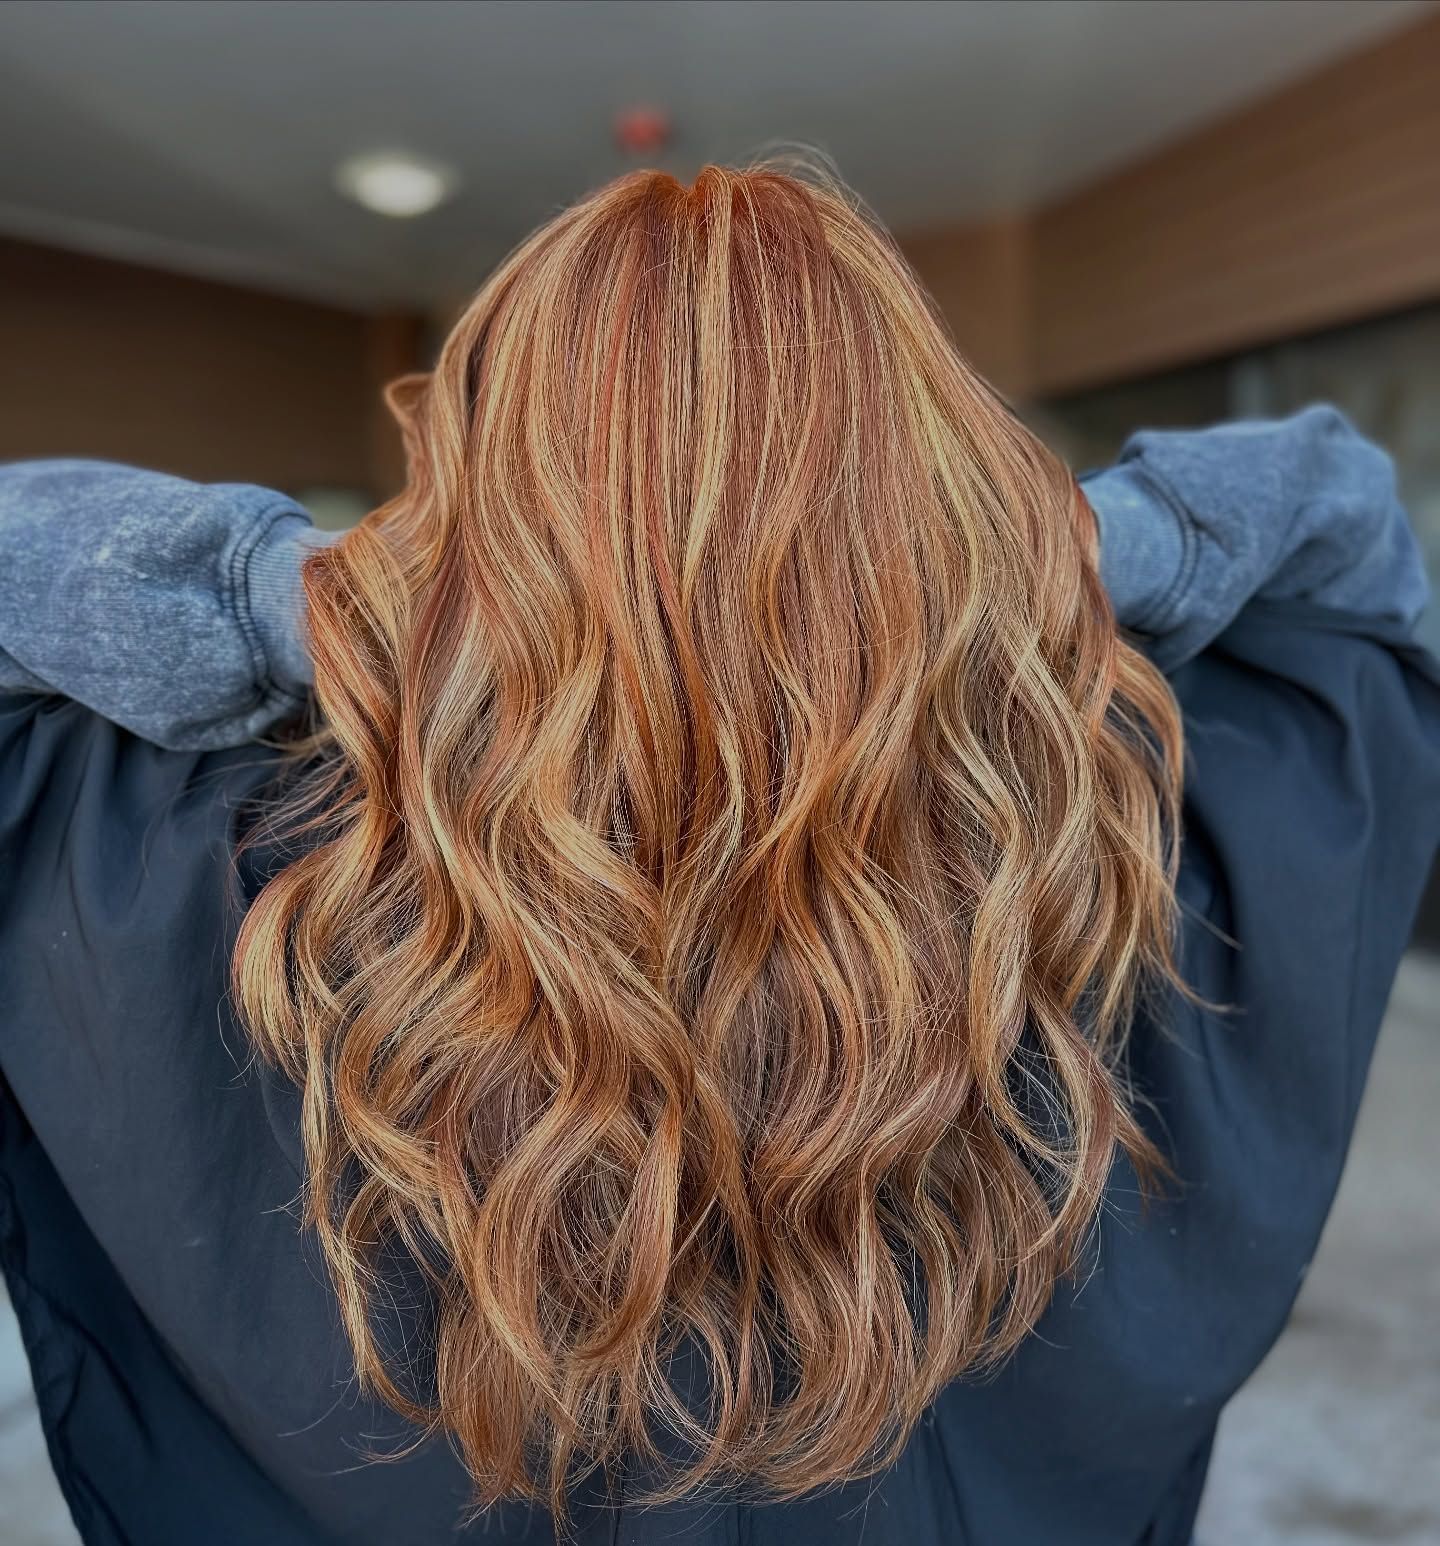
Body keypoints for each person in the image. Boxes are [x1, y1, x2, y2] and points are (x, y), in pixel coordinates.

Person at [0, 166, 1436, 1546]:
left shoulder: (198, 868)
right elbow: (1347, 529)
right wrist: (1036, 563)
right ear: (942, 477)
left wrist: (311, 601)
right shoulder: (1126, 868)